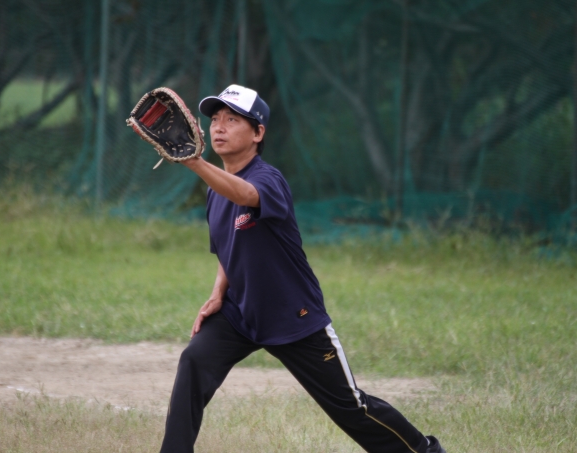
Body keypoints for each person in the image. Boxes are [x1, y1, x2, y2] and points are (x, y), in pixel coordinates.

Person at [159, 84, 446, 453]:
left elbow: (245, 195)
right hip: (241, 313)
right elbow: (227, 248)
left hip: (292, 314)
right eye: (215, 119)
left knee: (352, 408)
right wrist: (218, 293)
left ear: (258, 133)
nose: (219, 127)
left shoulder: (267, 179)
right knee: (194, 361)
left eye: (232, 119)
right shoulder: (215, 192)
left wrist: (194, 163)